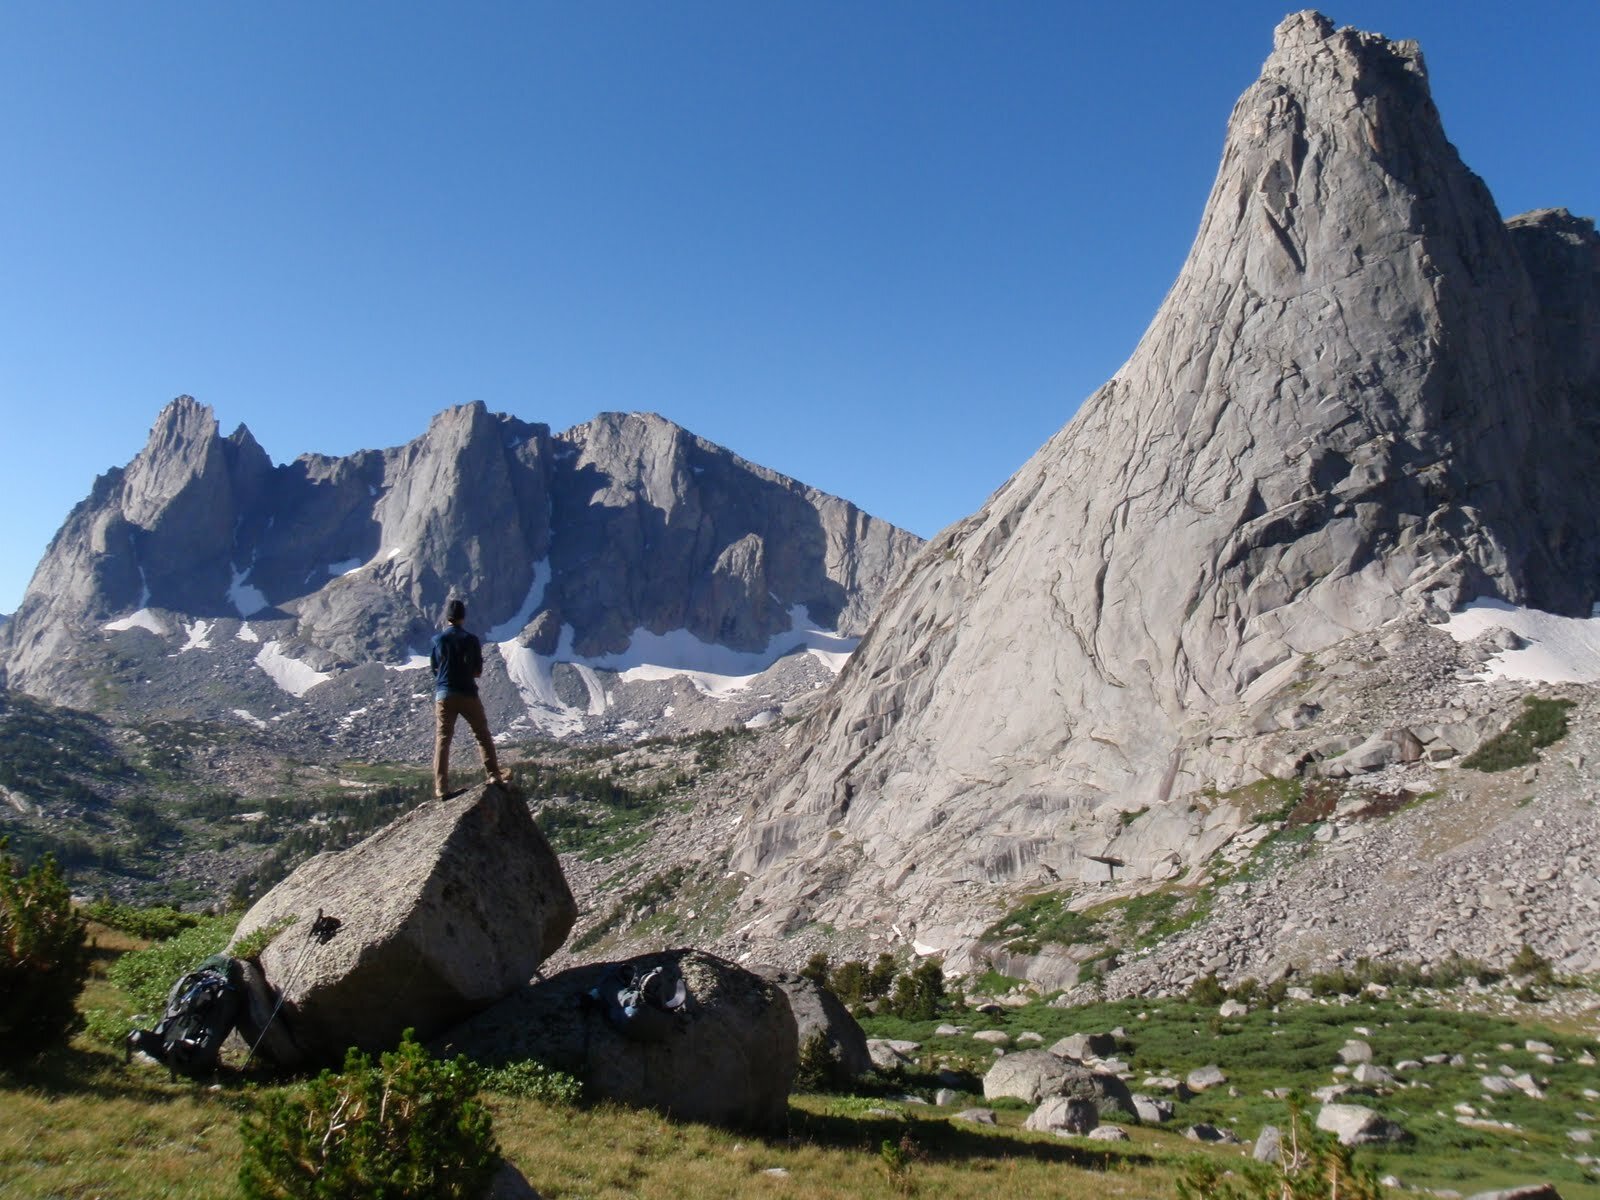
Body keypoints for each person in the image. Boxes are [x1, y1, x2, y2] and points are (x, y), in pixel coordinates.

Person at [430, 597, 508, 798]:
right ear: (463, 618)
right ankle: (493, 775)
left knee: (443, 739)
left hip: (444, 693)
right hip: (467, 693)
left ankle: (441, 787)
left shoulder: (438, 640)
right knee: (481, 733)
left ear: (447, 618)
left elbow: (434, 669)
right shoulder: (471, 640)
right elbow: (477, 671)